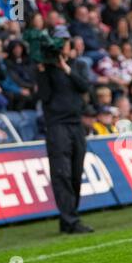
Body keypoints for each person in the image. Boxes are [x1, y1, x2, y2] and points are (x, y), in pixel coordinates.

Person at [36, 25, 93, 234]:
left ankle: (68, 217)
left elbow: (85, 87)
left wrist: (66, 69)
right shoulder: (45, 69)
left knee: (76, 173)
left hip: (76, 125)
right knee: (62, 174)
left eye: (66, 42)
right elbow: (44, 96)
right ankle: (70, 219)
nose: (64, 47)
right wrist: (43, 71)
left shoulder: (77, 65)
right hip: (57, 126)